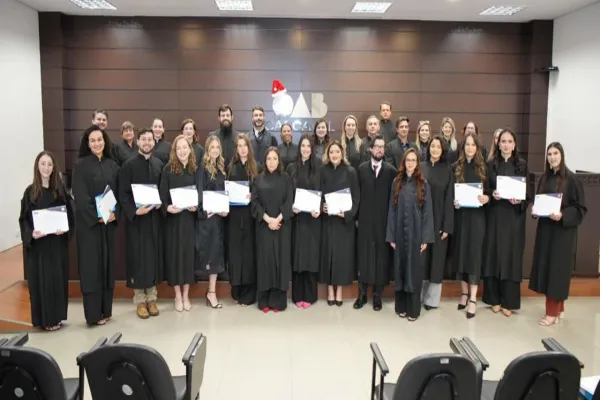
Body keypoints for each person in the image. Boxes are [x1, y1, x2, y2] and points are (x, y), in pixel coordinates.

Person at [530, 142, 586, 326]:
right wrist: (535, 210)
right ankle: (559, 308)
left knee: (557, 272)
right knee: (548, 270)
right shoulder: (544, 178)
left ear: (561, 155)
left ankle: (551, 313)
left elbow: (580, 208)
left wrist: (562, 215)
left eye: (555, 153)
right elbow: (539, 201)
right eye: (549, 154)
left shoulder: (572, 179)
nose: (552, 157)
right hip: (546, 231)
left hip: (562, 234)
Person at [19, 151, 73, 331]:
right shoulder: (30, 192)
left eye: (49, 164)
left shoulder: (60, 191)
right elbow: (24, 219)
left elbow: (69, 216)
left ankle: (56, 317)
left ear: (54, 167)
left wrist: (64, 228)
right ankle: (44, 319)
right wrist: (31, 234)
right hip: (39, 247)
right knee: (41, 282)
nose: (46, 168)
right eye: (43, 164)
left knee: (56, 280)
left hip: (56, 245)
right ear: (37, 166)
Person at [71, 124, 119, 325]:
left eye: (100, 139)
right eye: (93, 140)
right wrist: (96, 216)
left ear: (104, 141)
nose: (97, 143)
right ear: (87, 143)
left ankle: (105, 311)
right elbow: (80, 197)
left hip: (107, 225)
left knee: (107, 268)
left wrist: (115, 213)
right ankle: (92, 315)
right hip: (89, 227)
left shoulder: (112, 165)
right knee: (92, 269)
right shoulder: (80, 166)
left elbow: (118, 193)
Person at [117, 128, 164, 319]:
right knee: (138, 259)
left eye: (149, 139)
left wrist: (161, 204)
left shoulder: (159, 164)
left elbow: (163, 190)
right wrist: (134, 211)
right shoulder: (128, 166)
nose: (147, 142)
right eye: (143, 139)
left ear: (154, 142)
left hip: (154, 220)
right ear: (138, 142)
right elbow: (122, 193)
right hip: (137, 221)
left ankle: (151, 298)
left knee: (152, 258)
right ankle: (139, 300)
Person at [482, 128, 529, 317]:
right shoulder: (490, 164)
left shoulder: (522, 165)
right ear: (498, 144)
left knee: (510, 258)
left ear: (514, 144)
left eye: (509, 141)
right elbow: (486, 189)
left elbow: (528, 193)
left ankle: (509, 301)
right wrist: (492, 194)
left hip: (513, 218)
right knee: (493, 255)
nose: (506, 144)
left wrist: (520, 200)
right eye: (503, 141)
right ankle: (493, 299)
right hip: (495, 215)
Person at [386, 149, 435, 321]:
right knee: (400, 270)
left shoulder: (423, 183)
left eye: (414, 160)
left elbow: (428, 212)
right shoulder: (396, 182)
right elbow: (392, 210)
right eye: (408, 160)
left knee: (413, 272)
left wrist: (425, 238)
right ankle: (401, 307)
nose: (411, 163)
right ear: (404, 162)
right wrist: (391, 236)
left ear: (417, 163)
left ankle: (413, 310)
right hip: (399, 233)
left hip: (416, 234)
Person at [354, 134, 395, 311]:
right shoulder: (361, 169)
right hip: (364, 221)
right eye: (376, 146)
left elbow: (393, 200)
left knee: (381, 258)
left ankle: (378, 295)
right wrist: (356, 217)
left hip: (383, 222)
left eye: (382, 147)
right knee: (364, 257)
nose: (379, 149)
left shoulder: (391, 171)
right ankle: (362, 294)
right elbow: (356, 196)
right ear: (370, 149)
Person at [451, 133, 490, 319]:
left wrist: (487, 198)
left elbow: (491, 192)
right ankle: (464, 293)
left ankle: (473, 298)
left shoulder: (484, 168)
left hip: (477, 218)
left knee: (474, 256)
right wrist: (454, 202)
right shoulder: (455, 167)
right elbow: (451, 193)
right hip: (461, 218)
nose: (470, 148)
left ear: (477, 147)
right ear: (463, 147)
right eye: (467, 144)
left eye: (473, 145)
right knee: (461, 254)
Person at [251, 147, 294, 312]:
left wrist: (278, 219)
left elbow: (289, 201)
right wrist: (268, 219)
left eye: (275, 158)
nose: (271, 162)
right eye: (269, 159)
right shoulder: (258, 179)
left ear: (279, 160)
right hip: (264, 227)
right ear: (265, 161)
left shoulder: (286, 178)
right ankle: (264, 301)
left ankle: (278, 301)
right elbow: (255, 203)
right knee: (265, 262)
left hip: (282, 227)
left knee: (280, 263)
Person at [159, 135, 198, 312]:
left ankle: (186, 295)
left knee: (188, 257)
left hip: (189, 221)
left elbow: (200, 194)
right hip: (173, 221)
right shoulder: (167, 170)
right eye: (179, 148)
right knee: (175, 257)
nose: (182, 151)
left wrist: (196, 206)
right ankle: (177, 295)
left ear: (190, 149)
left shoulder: (194, 169)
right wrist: (167, 208)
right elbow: (162, 197)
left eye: (185, 147)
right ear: (175, 151)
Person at [319, 141, 360, 306]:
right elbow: (319, 193)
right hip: (328, 221)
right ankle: (330, 289)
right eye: (331, 152)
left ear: (342, 153)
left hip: (344, 223)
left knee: (342, 257)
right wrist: (321, 205)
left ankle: (340, 290)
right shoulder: (323, 171)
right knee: (328, 255)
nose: (334, 155)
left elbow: (356, 198)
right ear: (327, 154)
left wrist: (348, 214)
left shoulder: (350, 171)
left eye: (337, 151)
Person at [420, 136, 454, 311]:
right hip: (421, 220)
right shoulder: (420, 167)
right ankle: (418, 296)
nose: (434, 149)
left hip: (440, 221)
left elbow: (449, 199)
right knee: (422, 259)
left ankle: (432, 300)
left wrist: (447, 226)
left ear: (443, 150)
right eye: (432, 146)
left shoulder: (447, 170)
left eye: (438, 147)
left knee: (437, 261)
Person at [288, 134, 322, 308]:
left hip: (312, 220)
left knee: (310, 257)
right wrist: (291, 207)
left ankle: (309, 295)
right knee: (297, 258)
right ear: (299, 147)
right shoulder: (291, 167)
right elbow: (287, 192)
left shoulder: (319, 167)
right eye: (303, 145)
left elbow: (323, 191)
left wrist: (319, 208)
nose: (306, 149)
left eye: (309, 146)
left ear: (312, 148)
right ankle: (297, 295)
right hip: (297, 219)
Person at [227, 133, 260, 306]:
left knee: (248, 254)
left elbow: (261, 191)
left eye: (244, 145)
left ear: (249, 147)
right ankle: (237, 290)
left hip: (250, 217)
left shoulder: (256, 167)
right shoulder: (230, 167)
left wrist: (252, 195)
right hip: (234, 217)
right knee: (236, 254)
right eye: (239, 146)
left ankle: (249, 293)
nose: (242, 149)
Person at [196, 136, 228, 309]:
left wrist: (224, 209)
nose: (215, 150)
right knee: (210, 256)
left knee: (216, 256)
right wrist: (205, 211)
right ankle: (211, 293)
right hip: (207, 220)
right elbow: (200, 192)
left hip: (219, 220)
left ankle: (211, 292)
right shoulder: (202, 168)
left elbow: (224, 193)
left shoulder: (221, 168)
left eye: (217, 147)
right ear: (207, 149)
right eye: (212, 147)